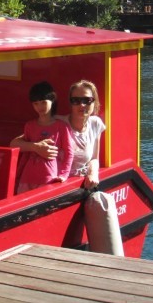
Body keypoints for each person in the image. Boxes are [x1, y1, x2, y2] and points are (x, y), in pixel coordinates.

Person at [11, 79, 124, 255]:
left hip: (79, 186)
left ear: (94, 101)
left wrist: (93, 173)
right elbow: (15, 142)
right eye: (76, 100)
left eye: (87, 100)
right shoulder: (58, 123)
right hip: (55, 183)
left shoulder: (95, 124)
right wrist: (36, 147)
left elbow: (94, 158)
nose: (82, 105)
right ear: (69, 103)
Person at [14, 81, 74, 194]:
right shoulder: (29, 126)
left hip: (49, 178)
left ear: (52, 100)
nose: (39, 107)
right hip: (27, 177)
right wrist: (18, 174)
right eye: (35, 104)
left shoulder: (61, 127)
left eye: (43, 102)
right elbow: (25, 153)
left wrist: (64, 175)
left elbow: (69, 153)